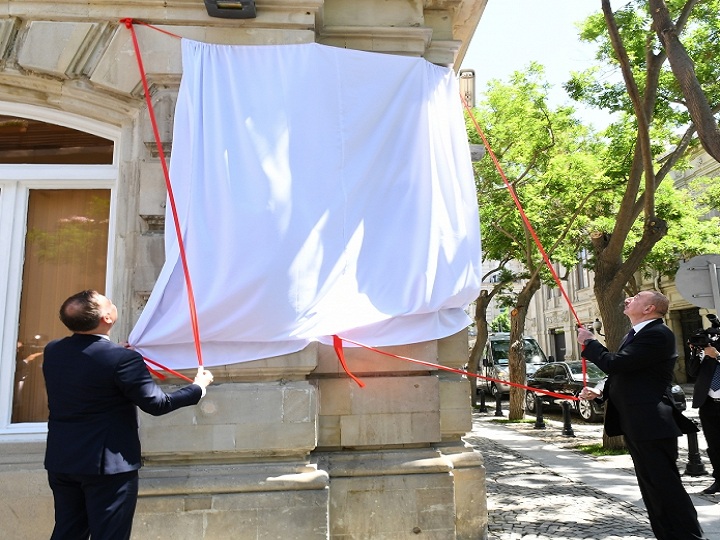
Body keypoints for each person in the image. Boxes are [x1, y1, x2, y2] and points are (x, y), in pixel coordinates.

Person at [43, 290, 214, 540]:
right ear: (107, 318)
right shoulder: (121, 359)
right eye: (108, 302)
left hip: (63, 460)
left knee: (68, 532)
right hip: (108, 467)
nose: (112, 303)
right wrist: (198, 388)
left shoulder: (54, 350)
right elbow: (157, 404)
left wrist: (117, 354)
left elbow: (89, 369)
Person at [576, 290, 706, 540]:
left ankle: (689, 537)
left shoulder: (658, 334)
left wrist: (591, 343)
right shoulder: (637, 333)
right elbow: (627, 374)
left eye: (635, 298)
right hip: (638, 423)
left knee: (665, 488)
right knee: (652, 490)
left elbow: (616, 364)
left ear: (649, 309)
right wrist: (600, 390)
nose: (627, 299)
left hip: (652, 423)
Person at [686, 343, 720, 495]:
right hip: (708, 404)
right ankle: (719, 480)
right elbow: (692, 372)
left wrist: (717, 355)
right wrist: (695, 352)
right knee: (714, 445)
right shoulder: (705, 350)